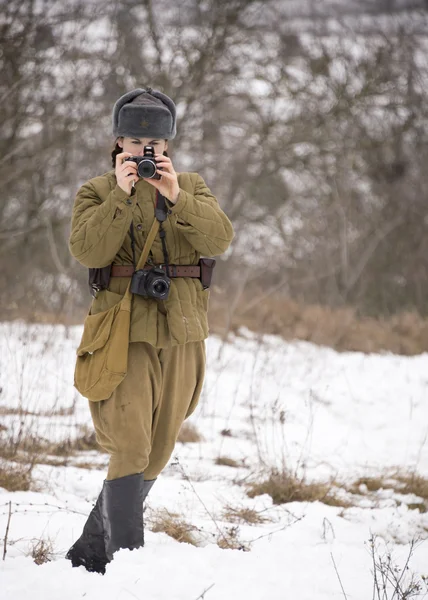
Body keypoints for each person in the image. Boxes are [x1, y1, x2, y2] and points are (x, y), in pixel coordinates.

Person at [65, 87, 234, 574]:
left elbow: (219, 238)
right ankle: (124, 565)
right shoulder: (95, 191)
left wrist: (175, 195)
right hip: (122, 333)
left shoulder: (192, 186)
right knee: (131, 444)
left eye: (154, 143)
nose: (145, 151)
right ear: (118, 141)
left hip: (181, 332)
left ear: (168, 146)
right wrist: (121, 195)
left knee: (158, 450)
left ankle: (92, 550)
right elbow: (89, 253)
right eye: (135, 141)